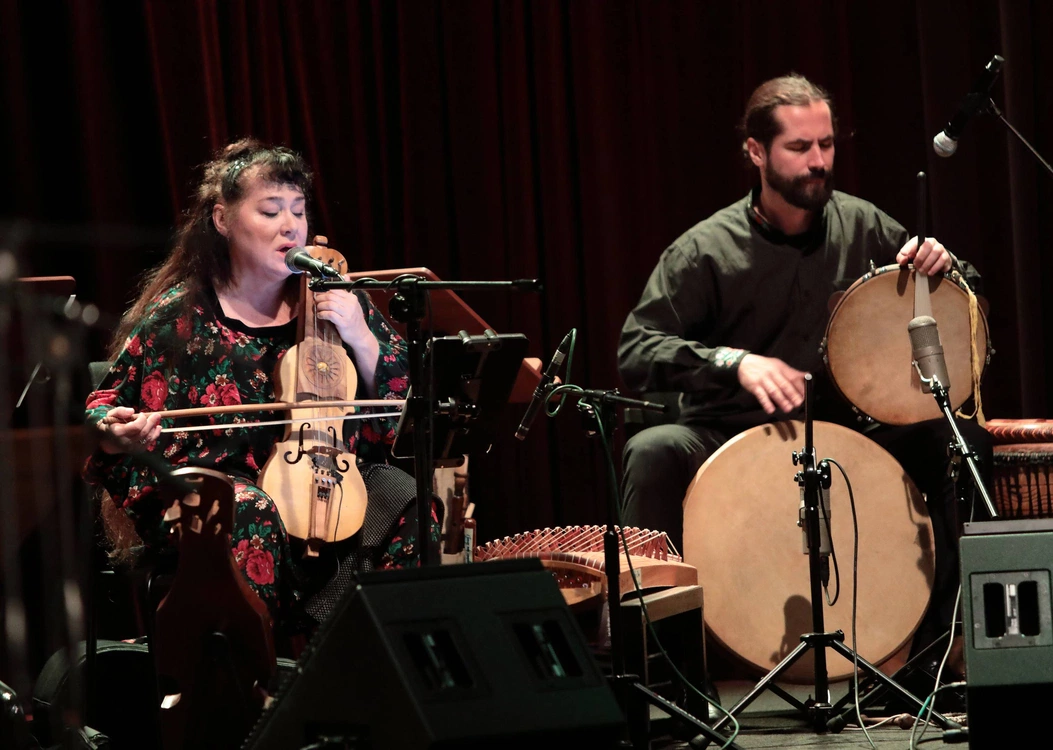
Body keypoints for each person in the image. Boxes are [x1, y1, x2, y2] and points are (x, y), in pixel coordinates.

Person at [618, 74, 992, 671]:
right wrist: (734, 362)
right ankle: (665, 673)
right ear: (756, 151)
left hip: (846, 430)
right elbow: (637, 349)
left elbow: (963, 293)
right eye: (799, 147)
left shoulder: (862, 226)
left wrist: (945, 266)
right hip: (731, 432)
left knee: (957, 442)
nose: (818, 161)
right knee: (652, 450)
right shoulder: (705, 250)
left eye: (827, 144)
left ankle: (939, 660)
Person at [84, 138, 438, 636]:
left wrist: (361, 336)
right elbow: (101, 409)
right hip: (217, 495)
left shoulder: (335, 300)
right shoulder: (181, 315)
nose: (290, 226)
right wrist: (113, 431)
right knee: (250, 508)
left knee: (411, 500)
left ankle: (373, 661)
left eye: (298, 210)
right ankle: (254, 671)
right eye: (270, 211)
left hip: (330, 485)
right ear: (223, 219)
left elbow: (407, 407)